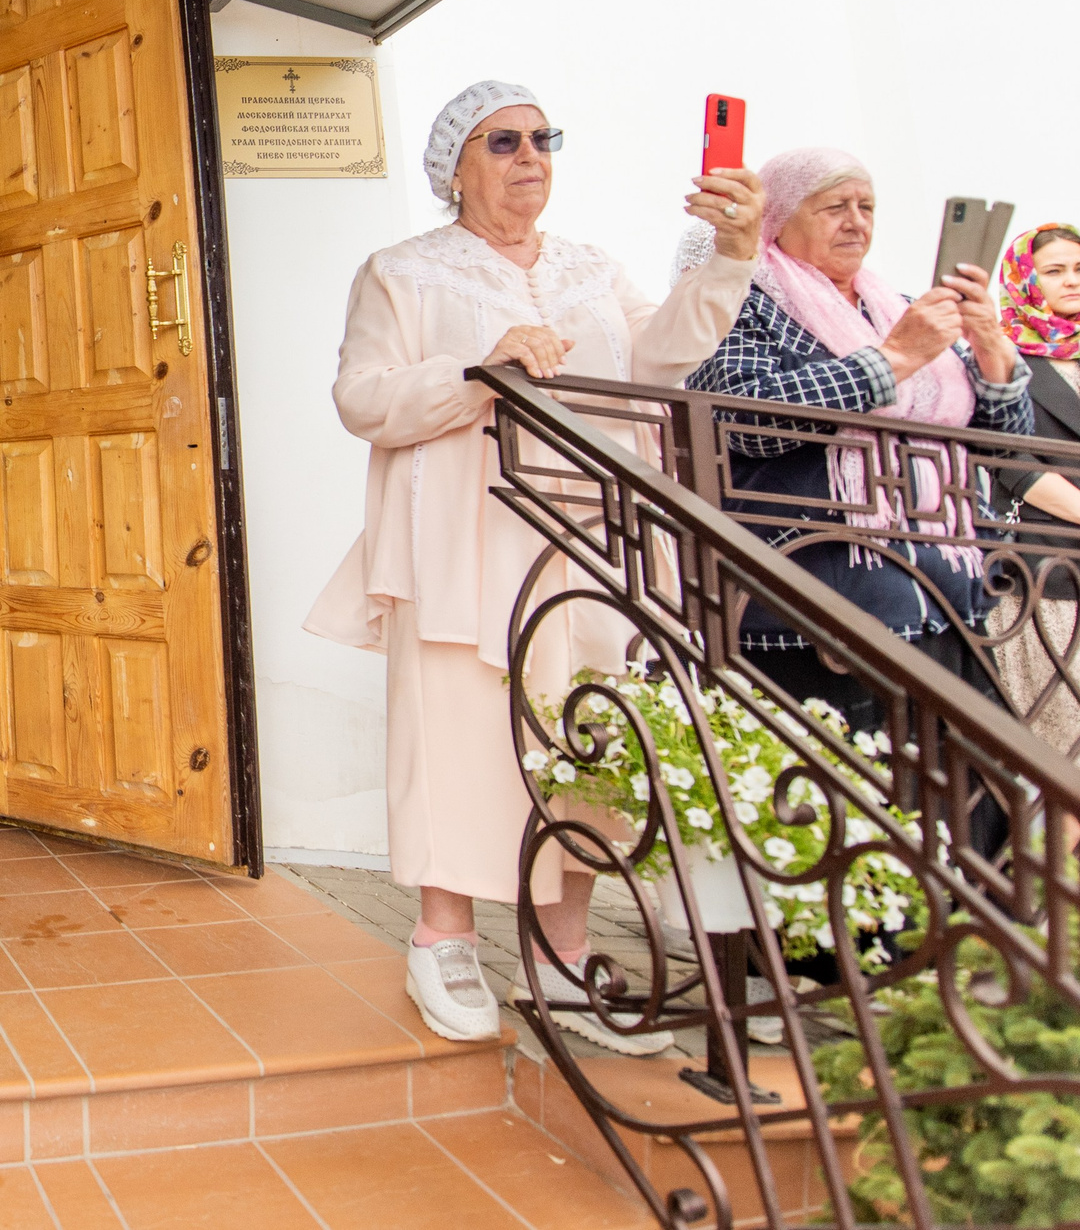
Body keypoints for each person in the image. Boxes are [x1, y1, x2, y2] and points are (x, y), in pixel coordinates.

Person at [307, 80, 762, 1052]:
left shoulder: (592, 266)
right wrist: (483, 366)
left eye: (543, 138)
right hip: (461, 536)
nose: (530, 156)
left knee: (586, 734)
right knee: (459, 732)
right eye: (503, 140)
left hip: (591, 534)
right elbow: (362, 396)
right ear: (453, 168)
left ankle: (559, 960)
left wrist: (729, 256)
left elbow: (658, 361)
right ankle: (442, 937)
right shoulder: (401, 269)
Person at [683, 149, 1031, 750]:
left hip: (944, 599)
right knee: (861, 811)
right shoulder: (744, 299)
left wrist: (994, 348)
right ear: (780, 220)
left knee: (977, 814)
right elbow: (741, 417)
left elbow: (1006, 454)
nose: (856, 222)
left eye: (866, 206)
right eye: (833, 207)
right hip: (819, 606)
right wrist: (892, 361)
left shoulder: (891, 304)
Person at [990, 225, 1080, 755]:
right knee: (1062, 753)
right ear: (1026, 280)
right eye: (1054, 271)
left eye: (1079, 269)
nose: (1072, 281)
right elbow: (1009, 459)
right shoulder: (1003, 354)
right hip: (1049, 574)